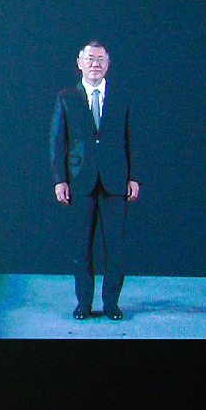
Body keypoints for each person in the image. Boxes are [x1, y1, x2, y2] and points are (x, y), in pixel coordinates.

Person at [48, 43, 139, 320]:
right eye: (90, 59)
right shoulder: (66, 97)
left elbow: (132, 138)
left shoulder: (121, 96)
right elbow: (57, 141)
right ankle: (84, 303)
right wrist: (60, 180)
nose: (95, 64)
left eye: (100, 60)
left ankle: (111, 303)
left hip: (115, 181)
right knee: (81, 247)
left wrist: (134, 177)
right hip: (79, 181)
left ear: (108, 63)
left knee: (115, 247)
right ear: (80, 62)